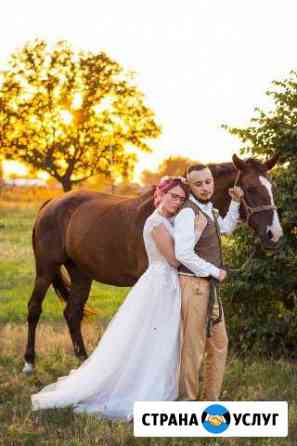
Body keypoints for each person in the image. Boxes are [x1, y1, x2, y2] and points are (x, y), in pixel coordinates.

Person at [31, 177, 189, 421]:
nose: (177, 202)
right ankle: (29, 353)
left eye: (181, 198)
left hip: (164, 284)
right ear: (160, 194)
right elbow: (175, 259)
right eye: (173, 196)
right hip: (160, 280)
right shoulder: (156, 222)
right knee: (42, 285)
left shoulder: (171, 219)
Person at [174, 164, 244, 401]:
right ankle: (187, 402)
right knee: (193, 349)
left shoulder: (210, 209)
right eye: (198, 184)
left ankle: (210, 400)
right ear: (189, 186)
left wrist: (234, 203)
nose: (205, 187)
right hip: (194, 286)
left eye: (208, 181)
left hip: (209, 287)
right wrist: (215, 271)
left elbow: (225, 228)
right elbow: (182, 253)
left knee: (220, 343)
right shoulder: (187, 213)